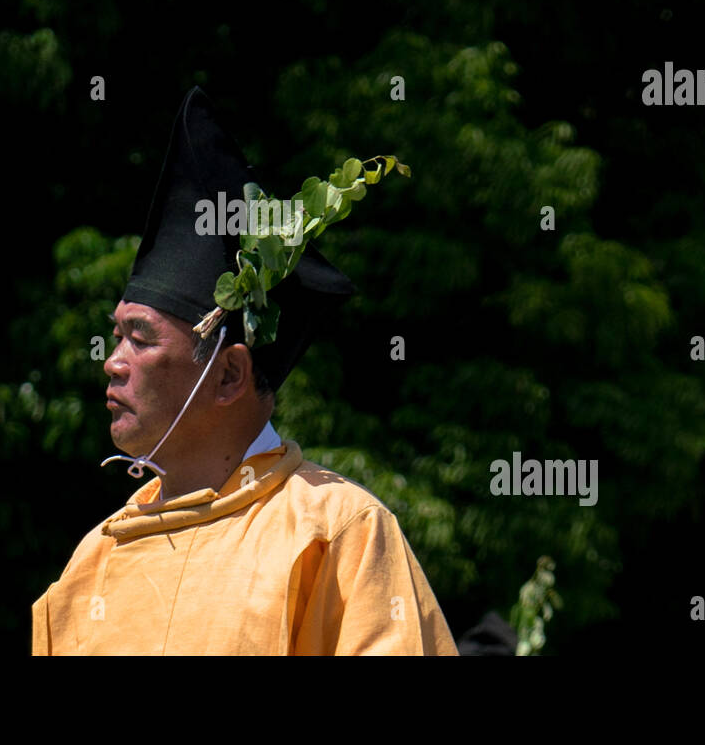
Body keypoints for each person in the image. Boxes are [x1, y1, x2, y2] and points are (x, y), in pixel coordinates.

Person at [31, 86, 458, 655]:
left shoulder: (337, 534)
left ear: (230, 375)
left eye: (140, 338)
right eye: (116, 336)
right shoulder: (93, 562)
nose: (112, 362)